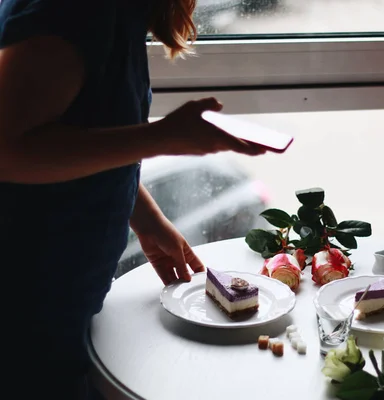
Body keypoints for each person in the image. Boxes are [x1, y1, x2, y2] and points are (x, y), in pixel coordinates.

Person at [0, 0, 271, 398]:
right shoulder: (73, 11)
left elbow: (81, 127)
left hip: (58, 301)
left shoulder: (114, 12)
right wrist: (162, 138)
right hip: (23, 315)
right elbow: (6, 150)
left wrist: (143, 215)